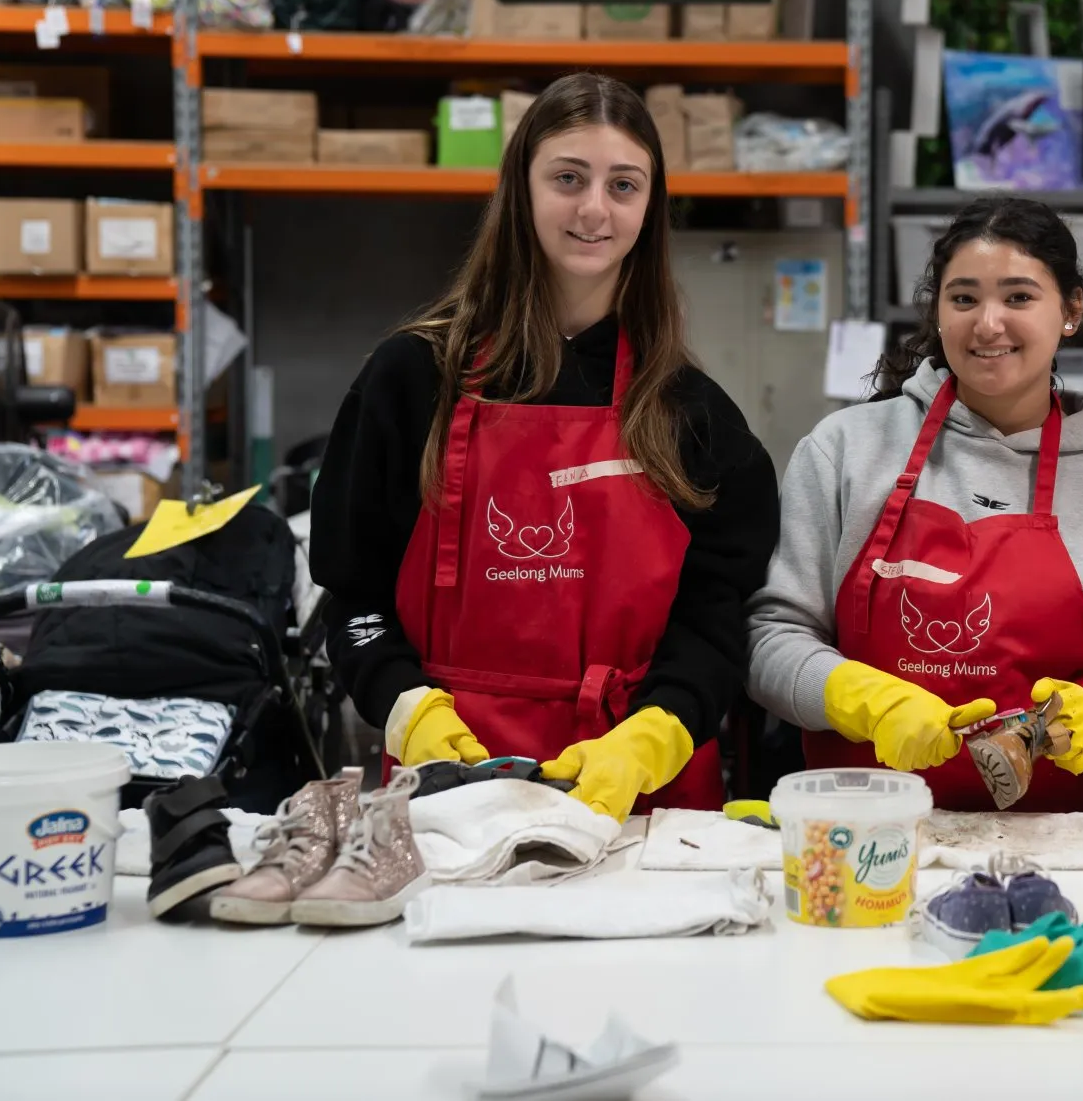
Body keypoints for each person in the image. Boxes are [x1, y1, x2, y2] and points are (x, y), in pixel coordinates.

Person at [310, 73, 778, 821]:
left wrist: (654, 736)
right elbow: (354, 594)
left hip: (638, 800)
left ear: (650, 207)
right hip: (447, 787)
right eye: (568, 177)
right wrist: (406, 708)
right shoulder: (411, 378)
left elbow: (715, 623)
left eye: (623, 185)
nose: (595, 208)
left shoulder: (689, 413)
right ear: (520, 188)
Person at [747, 197, 1083, 810]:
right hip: (862, 829)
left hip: (1058, 845)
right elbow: (773, 639)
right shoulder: (846, 451)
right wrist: (862, 699)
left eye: (1018, 297)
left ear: (1071, 310)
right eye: (963, 299)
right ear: (938, 311)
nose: (988, 324)